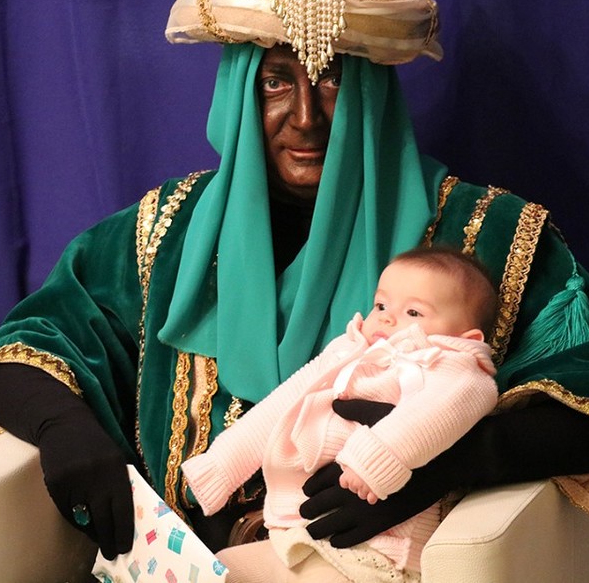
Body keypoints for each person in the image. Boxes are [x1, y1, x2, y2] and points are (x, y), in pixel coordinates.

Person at [0, 0, 589, 574]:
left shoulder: (488, 234)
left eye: (334, 78)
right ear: (237, 92)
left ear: (374, 88)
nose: (306, 117)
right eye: (276, 81)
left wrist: (446, 459)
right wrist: (64, 428)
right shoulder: (163, 231)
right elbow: (25, 351)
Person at [181, 247, 500, 582]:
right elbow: (282, 404)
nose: (387, 318)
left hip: (377, 545)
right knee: (221, 569)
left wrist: (372, 461)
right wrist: (220, 464)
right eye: (381, 305)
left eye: (413, 312)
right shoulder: (348, 350)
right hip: (295, 533)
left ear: (466, 337)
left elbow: (431, 416)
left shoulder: (453, 366)